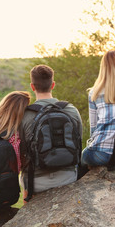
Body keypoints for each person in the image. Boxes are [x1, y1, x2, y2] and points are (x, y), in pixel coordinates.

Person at [20, 64, 82, 203]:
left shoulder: (25, 115)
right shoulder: (71, 110)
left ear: (32, 86)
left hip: (35, 183)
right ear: (53, 85)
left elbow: (22, 154)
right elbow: (79, 142)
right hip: (68, 178)